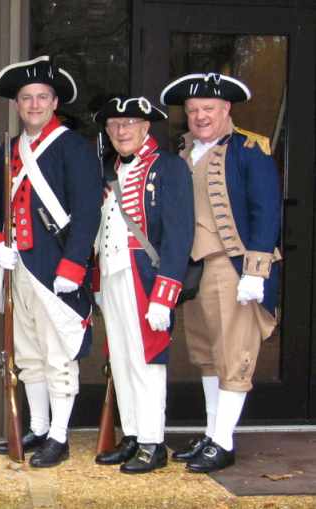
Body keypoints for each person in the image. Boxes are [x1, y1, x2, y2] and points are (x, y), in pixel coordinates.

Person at [160, 73, 281, 473]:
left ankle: (223, 442)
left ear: (226, 109)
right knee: (207, 355)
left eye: (208, 109)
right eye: (193, 111)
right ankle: (213, 433)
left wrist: (255, 271)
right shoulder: (182, 151)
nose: (200, 116)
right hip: (193, 270)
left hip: (231, 266)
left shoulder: (250, 149)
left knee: (233, 354)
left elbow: (266, 211)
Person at [0, 55, 101, 468]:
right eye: (26, 98)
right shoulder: (10, 148)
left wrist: (74, 265)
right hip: (19, 267)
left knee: (58, 355)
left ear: (55, 103)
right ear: (17, 105)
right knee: (29, 354)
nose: (33, 105)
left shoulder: (73, 147)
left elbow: (88, 211)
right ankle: (37, 426)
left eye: (41, 97)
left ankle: (60, 434)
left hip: (56, 270)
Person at [91, 97, 194, 473]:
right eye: (115, 124)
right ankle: (133, 435)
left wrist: (164, 295)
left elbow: (179, 235)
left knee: (149, 362)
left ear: (146, 127)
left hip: (147, 279)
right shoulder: (109, 171)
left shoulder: (168, 168)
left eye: (130, 122)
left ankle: (153, 441)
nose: (122, 130)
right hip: (114, 274)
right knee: (121, 359)